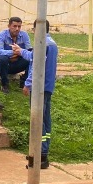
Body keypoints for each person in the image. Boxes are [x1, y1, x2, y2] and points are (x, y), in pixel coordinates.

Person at [22, 21, 59, 169]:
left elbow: (36, 65)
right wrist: (21, 51)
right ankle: (43, 152)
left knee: (38, 120)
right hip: (48, 86)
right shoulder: (52, 43)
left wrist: (27, 84)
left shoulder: (42, 44)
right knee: (45, 119)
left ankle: (41, 155)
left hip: (39, 87)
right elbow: (34, 56)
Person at [0, 17, 32, 94]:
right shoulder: (1, 35)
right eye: (14, 26)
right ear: (9, 26)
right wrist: (15, 52)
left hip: (16, 63)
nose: (17, 29)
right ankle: (4, 84)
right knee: (2, 59)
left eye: (19, 26)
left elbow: (29, 50)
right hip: (1, 66)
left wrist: (19, 53)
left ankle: (24, 82)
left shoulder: (24, 35)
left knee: (31, 58)